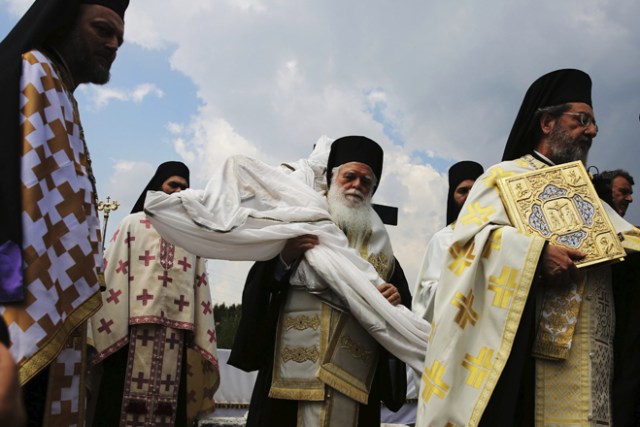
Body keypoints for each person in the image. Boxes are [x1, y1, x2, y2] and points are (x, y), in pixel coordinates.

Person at [416, 69, 640, 427]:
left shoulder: (591, 195)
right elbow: (466, 246)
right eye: (581, 120)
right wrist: (535, 255)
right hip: (532, 363)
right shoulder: (504, 177)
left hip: (597, 355)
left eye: (594, 124)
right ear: (547, 122)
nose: (592, 131)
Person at [0, 1, 128, 425]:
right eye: (102, 30)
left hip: (50, 314)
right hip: (16, 315)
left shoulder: (60, 90)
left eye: (120, 38)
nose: (114, 44)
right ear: (64, 21)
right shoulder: (27, 72)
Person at [228, 136, 412, 426]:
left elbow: (400, 303)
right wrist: (285, 259)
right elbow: (260, 285)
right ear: (332, 177)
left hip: (354, 378)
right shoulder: (302, 220)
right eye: (349, 177)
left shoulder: (382, 249)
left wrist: (395, 296)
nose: (357, 187)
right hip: (290, 375)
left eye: (366, 182)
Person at [90, 162, 219, 427]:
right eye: (173, 185)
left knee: (169, 408)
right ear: (157, 184)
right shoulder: (131, 224)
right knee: (120, 405)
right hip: (130, 335)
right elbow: (114, 274)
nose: (178, 192)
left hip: (176, 336)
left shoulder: (190, 234)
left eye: (184, 187)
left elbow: (199, 287)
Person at [412, 160, 484, 322]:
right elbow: (425, 294)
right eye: (462, 191)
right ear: (453, 197)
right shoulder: (442, 239)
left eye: (475, 189)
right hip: (452, 323)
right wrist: (465, 282)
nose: (469, 195)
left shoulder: (499, 236)